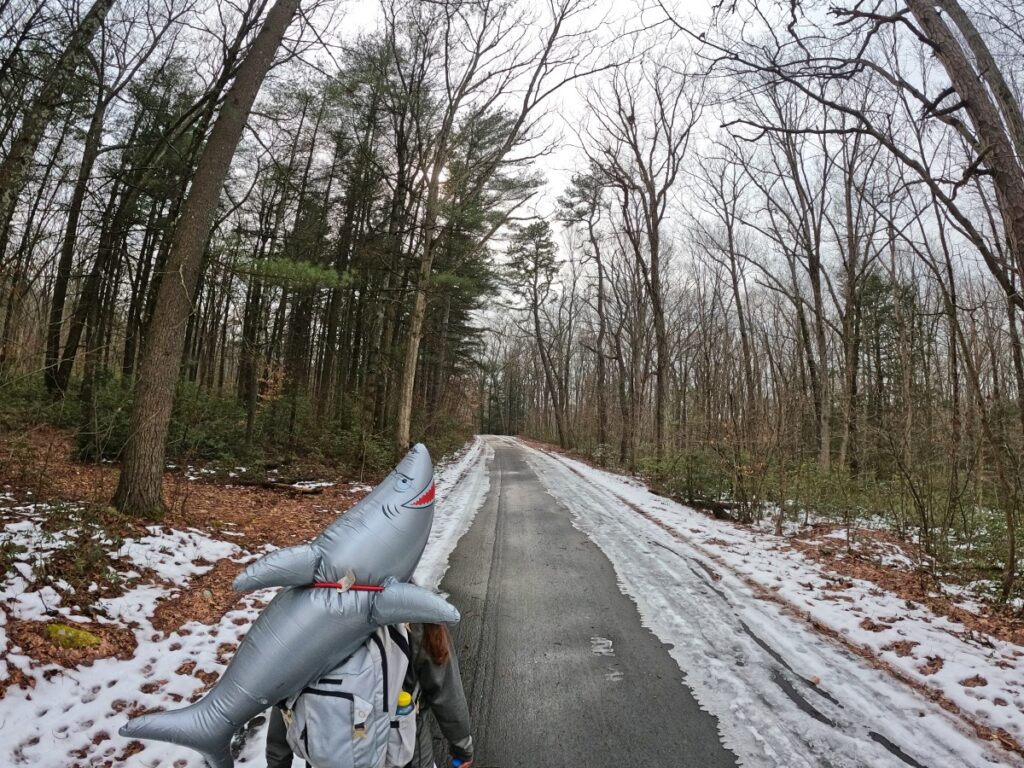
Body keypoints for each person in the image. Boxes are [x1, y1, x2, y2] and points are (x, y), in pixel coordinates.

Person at [265, 622, 474, 768]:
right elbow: (445, 688)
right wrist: (461, 747)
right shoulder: (414, 611)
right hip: (403, 750)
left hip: (325, 752)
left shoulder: (307, 611)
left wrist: (277, 760)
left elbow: (286, 697)